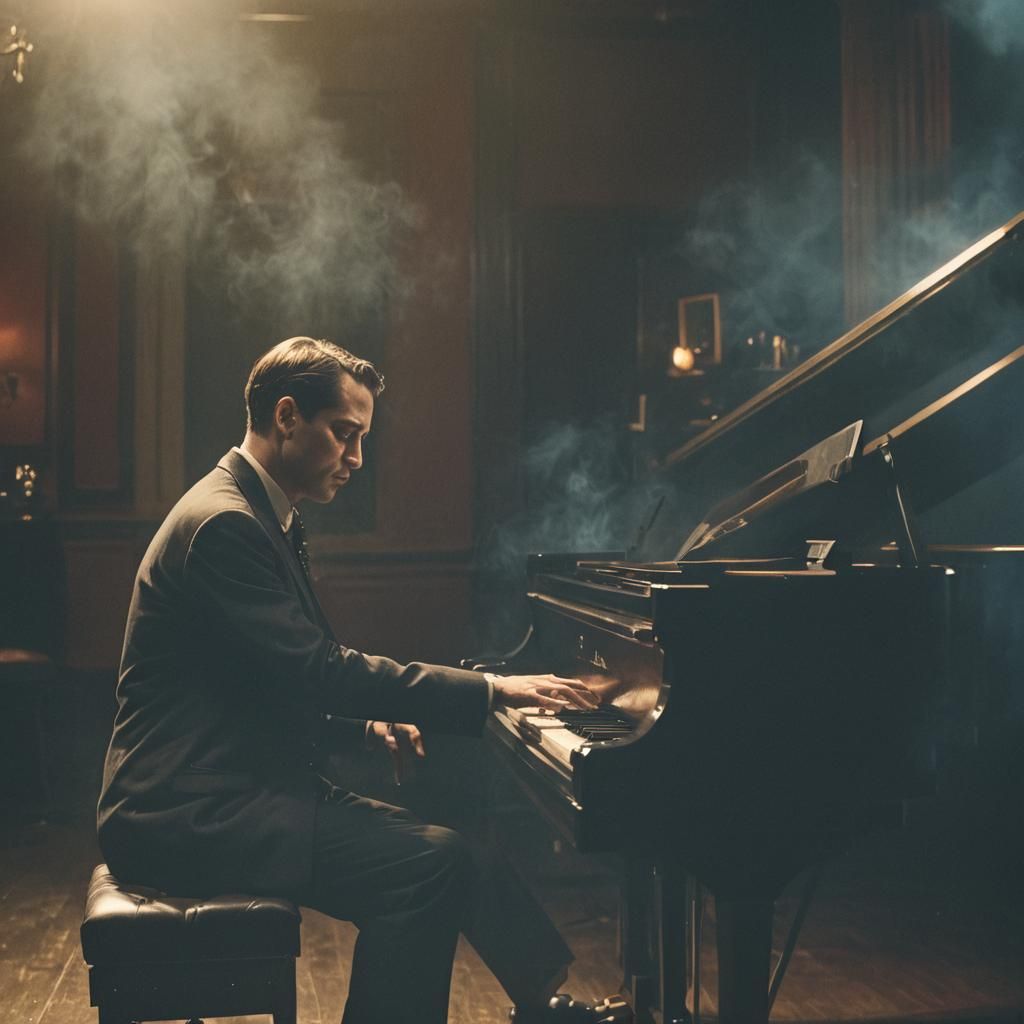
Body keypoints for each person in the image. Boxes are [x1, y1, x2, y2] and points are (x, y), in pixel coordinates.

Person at [97, 336, 606, 1024]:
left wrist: (363, 725)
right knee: (428, 868)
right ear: (285, 417)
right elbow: (317, 668)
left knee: (456, 850)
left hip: (229, 786)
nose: (356, 458)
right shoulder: (225, 524)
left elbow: (259, 682)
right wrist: (492, 691)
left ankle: (543, 1003)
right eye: (345, 434)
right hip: (188, 813)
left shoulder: (254, 511)